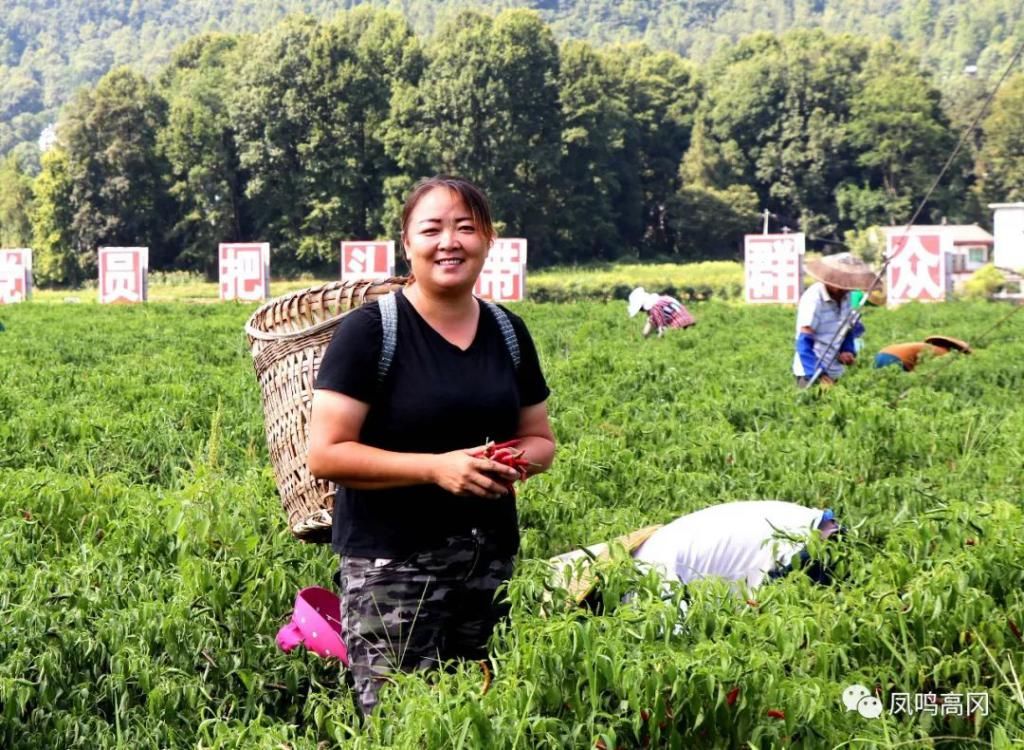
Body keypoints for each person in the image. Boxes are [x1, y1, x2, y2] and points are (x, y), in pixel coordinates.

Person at [307, 176, 556, 715]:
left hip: (487, 563)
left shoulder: (507, 331)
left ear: (488, 241)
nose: (450, 242)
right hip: (393, 569)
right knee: (403, 723)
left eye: (466, 228)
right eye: (433, 229)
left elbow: (541, 441)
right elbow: (326, 453)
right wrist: (436, 469)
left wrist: (506, 463)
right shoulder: (372, 332)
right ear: (407, 243)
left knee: (483, 717)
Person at [631, 500, 842, 590]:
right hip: (823, 526)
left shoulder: (647, 573)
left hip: (802, 550)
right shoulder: (654, 543)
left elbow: (677, 637)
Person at [793, 253, 876, 388]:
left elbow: (845, 329)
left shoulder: (846, 297)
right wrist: (819, 376)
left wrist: (847, 350)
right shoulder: (813, 299)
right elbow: (804, 342)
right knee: (813, 407)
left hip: (835, 371)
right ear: (830, 278)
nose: (845, 288)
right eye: (841, 283)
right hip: (810, 372)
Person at [874, 335, 972, 372]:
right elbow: (926, 371)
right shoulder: (943, 353)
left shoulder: (928, 347)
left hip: (881, 354)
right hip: (895, 359)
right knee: (898, 387)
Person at [627, 286, 696, 337]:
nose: (642, 311)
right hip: (690, 320)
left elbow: (662, 328)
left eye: (640, 309)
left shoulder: (655, 308)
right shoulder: (663, 299)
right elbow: (650, 324)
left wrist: (658, 342)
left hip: (680, 325)